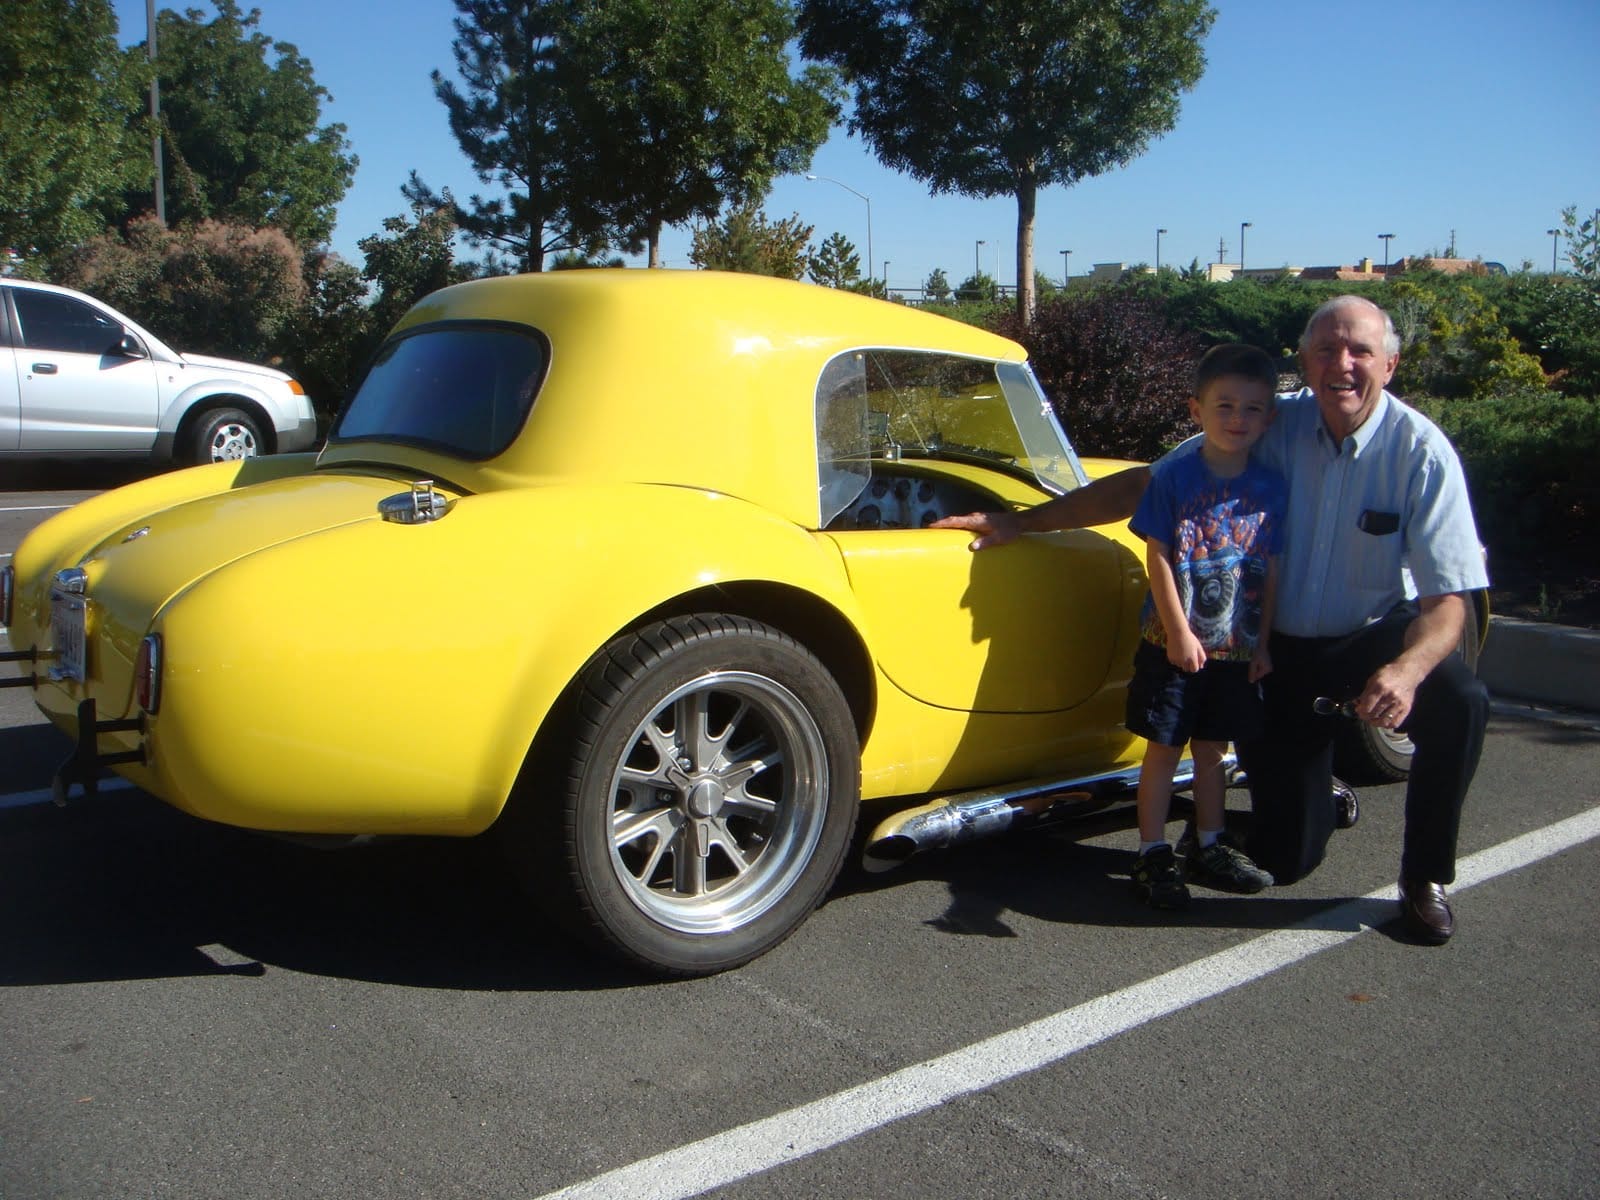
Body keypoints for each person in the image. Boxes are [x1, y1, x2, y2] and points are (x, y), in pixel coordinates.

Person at [934, 296, 1490, 943]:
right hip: (1270, 651)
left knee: (1461, 700)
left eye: (1360, 350)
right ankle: (1280, 811)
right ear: (1306, 364)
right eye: (1326, 350)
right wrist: (1020, 521)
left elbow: (1449, 599)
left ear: (1389, 364)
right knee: (1287, 862)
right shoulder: (1266, 424)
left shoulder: (1421, 453)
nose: (1343, 363)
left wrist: (1407, 669)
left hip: (1367, 637)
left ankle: (1424, 879)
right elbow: (1151, 486)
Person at [1124, 344, 1284, 909]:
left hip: (1236, 650)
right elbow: (1159, 557)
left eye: (1252, 409)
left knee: (1214, 749)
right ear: (1196, 410)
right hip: (1173, 646)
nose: (1238, 420)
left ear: (1270, 417)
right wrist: (1178, 633)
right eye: (1224, 406)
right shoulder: (1174, 479)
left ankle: (1210, 843)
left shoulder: (1272, 488)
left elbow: (1272, 570)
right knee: (1165, 748)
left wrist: (1263, 644)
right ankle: (1151, 851)